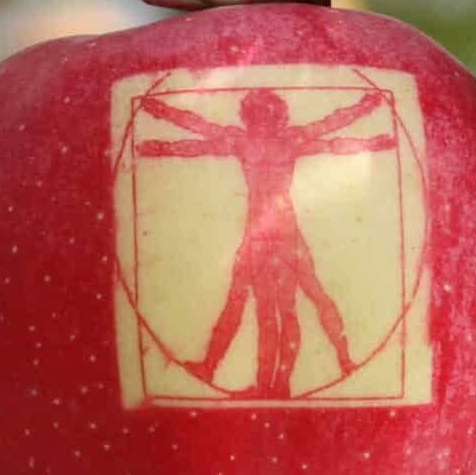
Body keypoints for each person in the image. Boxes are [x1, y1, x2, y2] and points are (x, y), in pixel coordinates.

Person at [134, 88, 395, 395]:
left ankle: (296, 372)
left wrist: (160, 131)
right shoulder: (282, 140)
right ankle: (303, 372)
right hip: (277, 231)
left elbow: (199, 136)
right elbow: (333, 136)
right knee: (282, 303)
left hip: (266, 232)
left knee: (270, 304)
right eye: (259, 115)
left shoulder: (250, 141)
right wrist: (370, 122)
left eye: (263, 115)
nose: (261, 121)